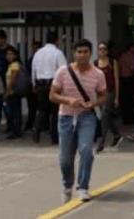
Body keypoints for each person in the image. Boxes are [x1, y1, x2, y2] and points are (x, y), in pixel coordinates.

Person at [51, 39, 107, 203]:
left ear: (91, 54)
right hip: (66, 117)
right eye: (79, 52)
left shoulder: (98, 74)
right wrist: (68, 100)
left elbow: (104, 95)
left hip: (86, 117)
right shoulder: (63, 72)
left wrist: (94, 103)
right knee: (65, 158)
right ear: (74, 53)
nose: (82, 55)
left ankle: (83, 187)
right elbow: (52, 95)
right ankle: (67, 185)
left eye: (86, 52)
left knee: (86, 151)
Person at [32, 32, 67, 144]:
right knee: (55, 111)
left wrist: (34, 84)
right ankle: (54, 137)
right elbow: (63, 71)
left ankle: (36, 130)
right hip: (53, 83)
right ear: (56, 40)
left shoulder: (38, 53)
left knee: (42, 110)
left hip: (40, 84)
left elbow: (34, 70)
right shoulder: (58, 53)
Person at [94, 42, 123, 152]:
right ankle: (116, 134)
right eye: (100, 49)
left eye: (104, 49)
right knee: (106, 116)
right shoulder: (96, 63)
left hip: (110, 92)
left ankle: (101, 142)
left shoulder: (112, 62)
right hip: (100, 93)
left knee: (104, 116)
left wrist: (117, 97)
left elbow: (116, 79)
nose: (102, 51)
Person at [4, 46, 23, 139]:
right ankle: (15, 130)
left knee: (14, 112)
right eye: (7, 54)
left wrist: (8, 90)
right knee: (13, 112)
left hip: (13, 91)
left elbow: (13, 78)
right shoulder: (11, 65)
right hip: (12, 91)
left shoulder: (15, 65)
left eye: (11, 54)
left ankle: (16, 131)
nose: (8, 56)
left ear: (15, 55)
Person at [117, 42, 134, 124]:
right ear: (131, 48)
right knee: (131, 100)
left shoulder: (122, 56)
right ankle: (132, 119)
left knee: (124, 100)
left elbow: (119, 68)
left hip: (122, 79)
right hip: (130, 79)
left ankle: (125, 119)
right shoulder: (132, 56)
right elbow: (133, 68)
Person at [24, 40, 41, 132]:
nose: (35, 49)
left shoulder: (39, 59)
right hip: (31, 85)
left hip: (39, 85)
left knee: (40, 107)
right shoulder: (31, 59)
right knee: (32, 107)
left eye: (36, 47)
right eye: (33, 47)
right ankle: (31, 124)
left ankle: (37, 125)